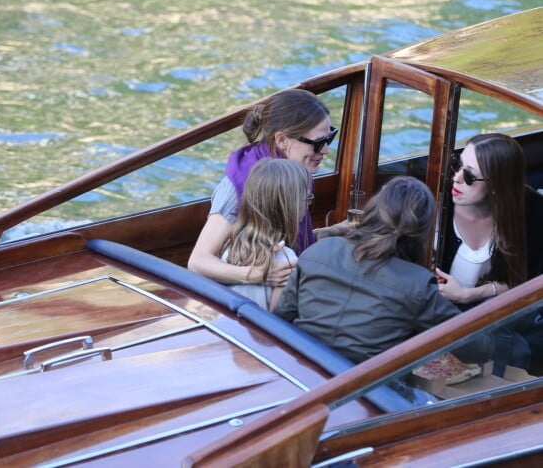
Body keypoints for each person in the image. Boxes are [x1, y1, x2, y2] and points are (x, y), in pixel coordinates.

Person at [274, 176, 492, 364]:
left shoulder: (318, 250)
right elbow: (478, 350)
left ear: (373, 210)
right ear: (421, 233)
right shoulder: (418, 285)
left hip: (301, 371)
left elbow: (281, 318)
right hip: (364, 394)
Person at [188, 88, 344, 287]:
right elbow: (198, 261)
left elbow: (281, 240)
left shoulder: (294, 172)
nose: (325, 150)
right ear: (281, 140)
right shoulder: (244, 183)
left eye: (329, 138)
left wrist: (334, 232)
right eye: (318, 143)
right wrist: (257, 275)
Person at [435, 133, 543, 374]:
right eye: (457, 164)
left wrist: (468, 294)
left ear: (497, 186)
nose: (456, 178)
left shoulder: (532, 213)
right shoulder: (436, 198)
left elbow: (530, 285)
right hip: (436, 319)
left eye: (470, 176)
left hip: (497, 321)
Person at [223, 158, 312, 311]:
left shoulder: (230, 245)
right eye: (308, 198)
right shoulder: (287, 261)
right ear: (291, 207)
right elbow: (275, 321)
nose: (308, 205)